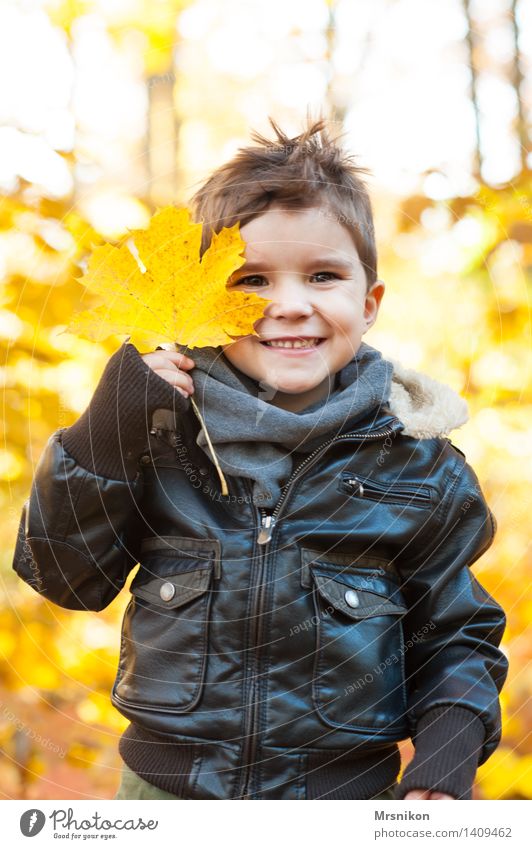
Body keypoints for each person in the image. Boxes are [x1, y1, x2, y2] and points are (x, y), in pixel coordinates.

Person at [12, 115, 508, 801]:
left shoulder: (418, 468)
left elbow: (456, 633)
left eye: (323, 275)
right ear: (205, 302)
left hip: (344, 798)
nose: (290, 305)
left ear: (369, 304)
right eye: (252, 281)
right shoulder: (159, 436)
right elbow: (65, 575)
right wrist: (106, 428)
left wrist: (449, 752)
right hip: (168, 798)